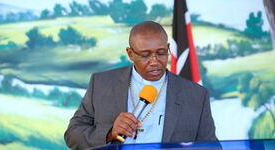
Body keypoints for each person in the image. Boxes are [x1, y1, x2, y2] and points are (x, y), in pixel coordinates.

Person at [64, 21, 218, 150]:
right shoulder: (102, 83)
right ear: (130, 54)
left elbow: (212, 147)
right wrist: (110, 133)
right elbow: (72, 135)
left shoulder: (196, 95)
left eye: (161, 52)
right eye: (145, 55)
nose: (154, 61)